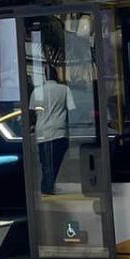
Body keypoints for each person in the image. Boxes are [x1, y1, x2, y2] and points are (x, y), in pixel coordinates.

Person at [29, 62, 73, 195]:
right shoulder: (64, 89)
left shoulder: (37, 91)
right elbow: (71, 109)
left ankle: (47, 186)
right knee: (56, 161)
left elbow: (31, 112)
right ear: (56, 75)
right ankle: (48, 185)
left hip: (43, 132)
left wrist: (32, 125)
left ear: (44, 76)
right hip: (60, 131)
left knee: (46, 162)